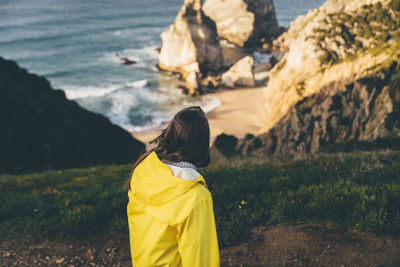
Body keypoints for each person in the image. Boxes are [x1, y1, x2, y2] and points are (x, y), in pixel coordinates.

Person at [125, 106, 220, 267]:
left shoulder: (143, 171)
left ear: (171, 133)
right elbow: (200, 259)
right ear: (202, 143)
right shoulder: (195, 196)